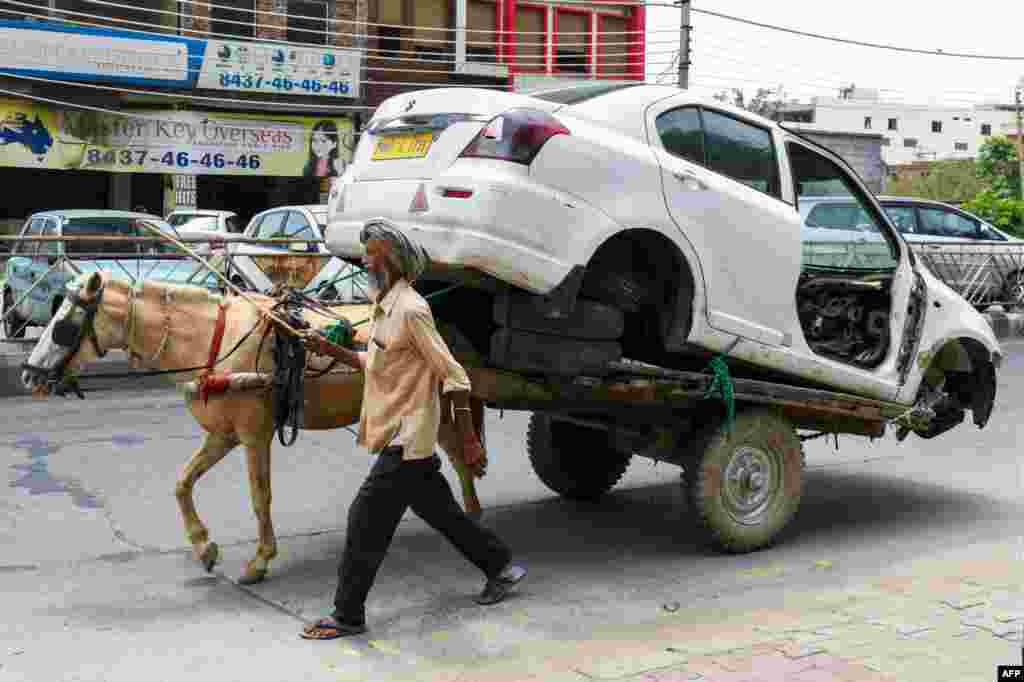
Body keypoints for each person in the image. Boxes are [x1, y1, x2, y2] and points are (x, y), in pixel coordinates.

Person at [299, 220, 526, 640]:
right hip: (398, 436)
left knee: (363, 521)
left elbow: (455, 377)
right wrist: (332, 350)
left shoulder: (413, 309)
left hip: (407, 439)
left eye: (372, 254)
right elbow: (378, 362)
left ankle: (348, 615)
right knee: (443, 513)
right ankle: (502, 567)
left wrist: (470, 440)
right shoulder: (383, 304)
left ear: (390, 263)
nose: (364, 259)